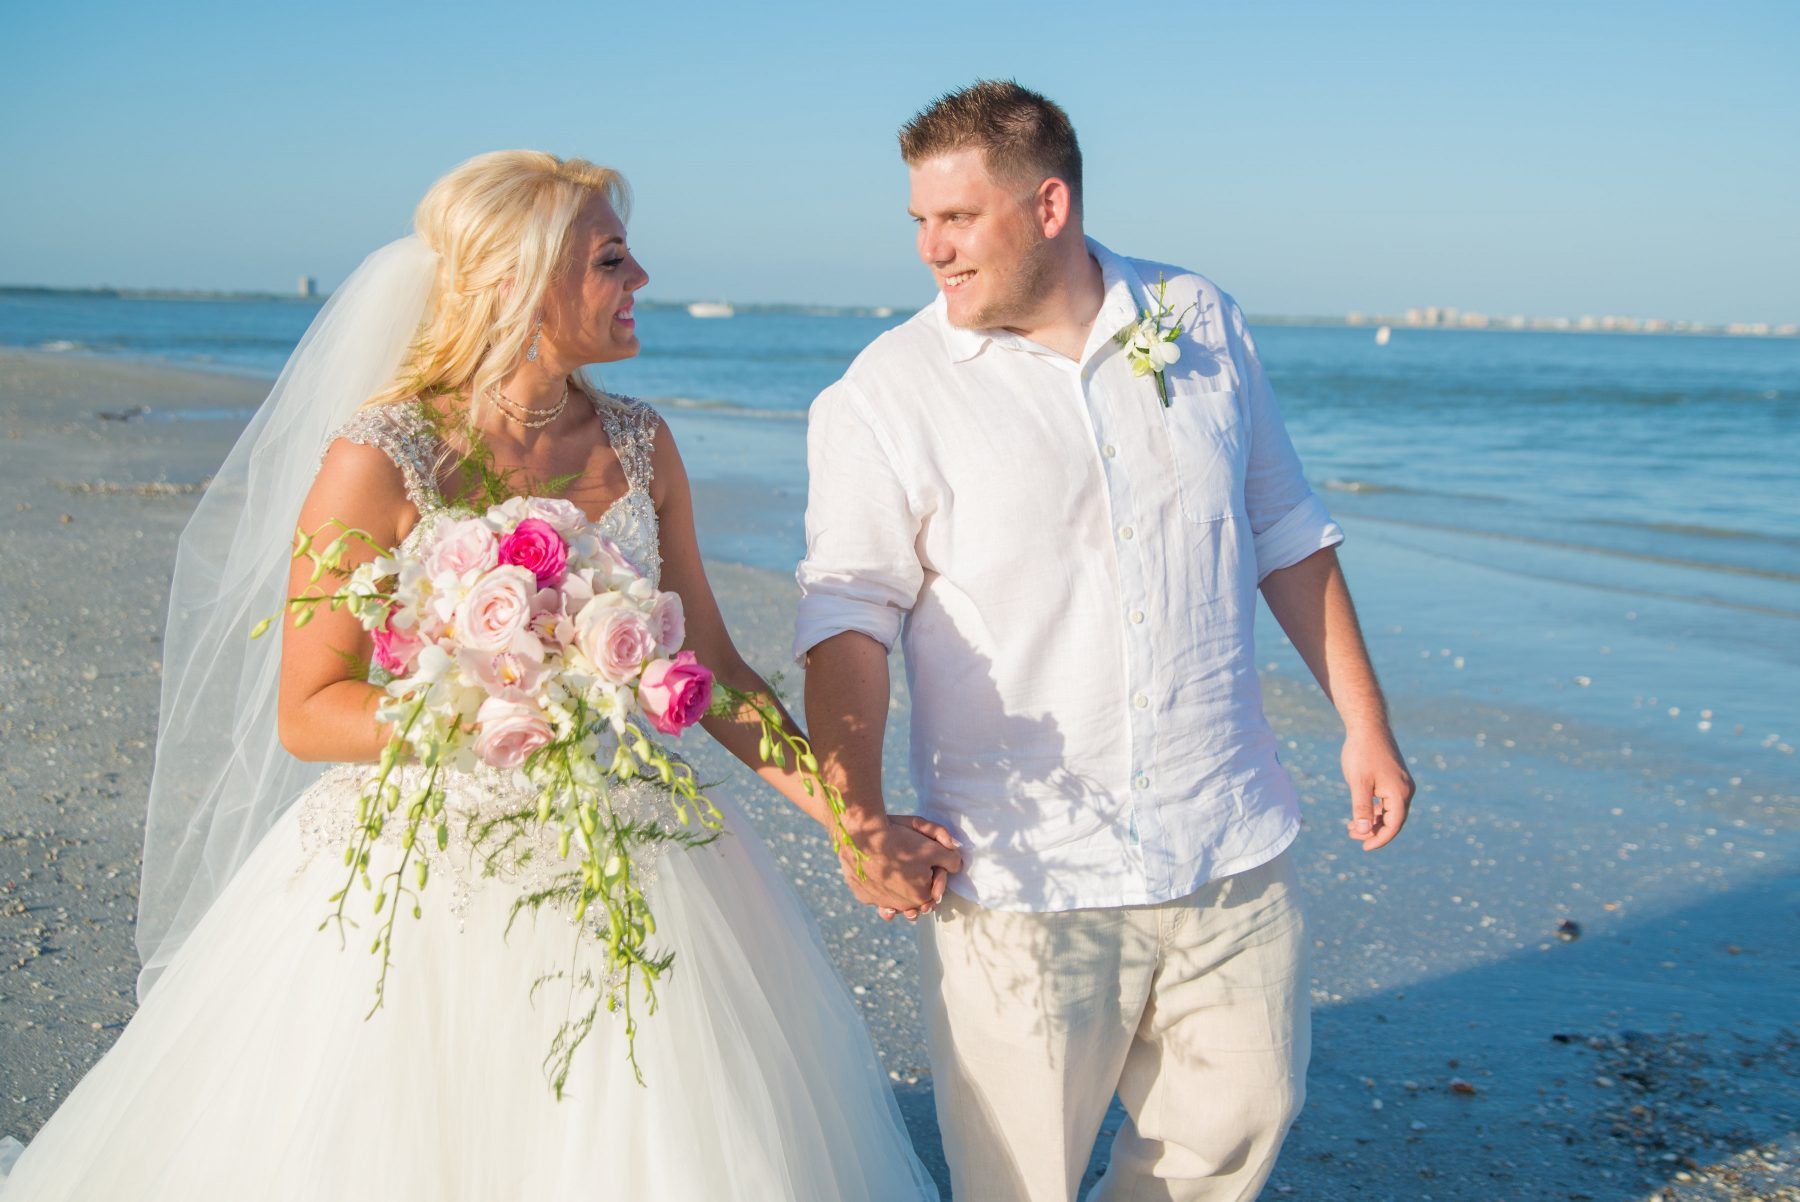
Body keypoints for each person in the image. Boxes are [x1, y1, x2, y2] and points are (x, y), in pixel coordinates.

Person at [0, 151, 944, 1201]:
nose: (641, 281)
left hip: (632, 843)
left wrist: (846, 816)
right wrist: (498, 705)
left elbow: (712, 668)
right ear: (518, 282)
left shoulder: (641, 444)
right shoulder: (381, 455)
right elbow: (311, 710)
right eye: (612, 259)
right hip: (426, 863)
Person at [797, 82, 1415, 1201]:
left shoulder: (1200, 317)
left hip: (1222, 832)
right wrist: (858, 813)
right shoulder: (885, 393)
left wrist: (1365, 727)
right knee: (1018, 1177)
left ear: (1048, 204)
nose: (932, 250)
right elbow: (850, 616)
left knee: (1244, 1114)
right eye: (919, 223)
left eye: (958, 219)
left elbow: (1285, 530)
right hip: (1023, 867)